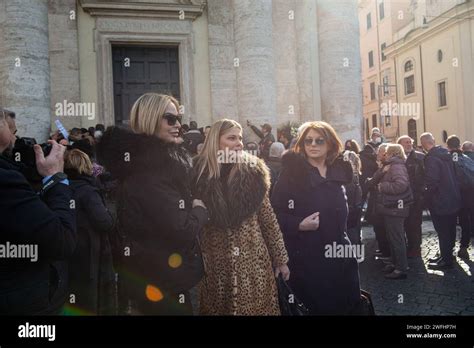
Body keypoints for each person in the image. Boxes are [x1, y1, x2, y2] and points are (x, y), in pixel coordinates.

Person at [97, 93, 209, 315]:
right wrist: (199, 209)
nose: (178, 125)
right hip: (160, 281)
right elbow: (181, 229)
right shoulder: (150, 171)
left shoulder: (156, 164)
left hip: (160, 276)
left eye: (178, 119)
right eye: (170, 119)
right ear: (150, 119)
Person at [193, 119, 289, 315]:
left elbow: (268, 219)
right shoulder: (198, 173)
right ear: (215, 142)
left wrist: (280, 259)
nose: (239, 143)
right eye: (232, 138)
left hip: (253, 264)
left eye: (240, 138)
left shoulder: (253, 172)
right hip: (215, 265)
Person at [271, 121, 361, 315]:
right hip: (307, 262)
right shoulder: (291, 174)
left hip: (341, 257)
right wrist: (299, 224)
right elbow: (273, 214)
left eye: (319, 141)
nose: (313, 145)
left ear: (330, 144)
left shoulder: (338, 170)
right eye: (308, 141)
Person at [0, 108, 77, 315]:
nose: (16, 137)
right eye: (12, 130)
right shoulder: (6, 183)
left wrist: (35, 173)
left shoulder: (10, 173)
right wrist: (55, 179)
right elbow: (62, 240)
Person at [64, 149, 115, 315]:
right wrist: (111, 212)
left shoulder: (60, 187)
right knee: (90, 296)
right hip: (89, 253)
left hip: (70, 248)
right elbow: (105, 222)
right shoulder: (88, 191)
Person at [420, 133, 462, 270]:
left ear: (424, 144)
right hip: (453, 197)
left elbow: (432, 181)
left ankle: (446, 260)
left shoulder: (432, 158)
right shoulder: (447, 154)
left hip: (440, 200)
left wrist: (425, 198)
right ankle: (447, 255)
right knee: (450, 229)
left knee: (443, 230)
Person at [375, 144, 412, 280]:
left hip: (395, 208)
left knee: (397, 238)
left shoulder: (396, 166)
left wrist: (382, 186)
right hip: (392, 208)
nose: (384, 154)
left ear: (392, 153)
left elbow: (401, 185)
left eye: (386, 152)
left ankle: (401, 268)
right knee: (393, 237)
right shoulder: (393, 165)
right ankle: (396, 264)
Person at [398, 135, 425, 258]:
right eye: (406, 142)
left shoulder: (420, 157)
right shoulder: (398, 158)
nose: (409, 144)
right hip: (401, 197)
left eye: (410, 142)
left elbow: (425, 177)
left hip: (416, 196)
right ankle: (408, 247)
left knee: (415, 224)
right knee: (404, 223)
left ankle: (415, 248)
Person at [447, 135, 473, 260]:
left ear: (448, 146)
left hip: (454, 194)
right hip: (468, 194)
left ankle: (449, 249)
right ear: (459, 145)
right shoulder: (467, 158)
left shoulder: (449, 158)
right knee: (465, 221)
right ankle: (464, 247)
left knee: (450, 222)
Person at [366, 144, 391, 259]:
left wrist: (373, 182)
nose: (377, 154)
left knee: (383, 230)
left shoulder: (387, 167)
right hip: (376, 202)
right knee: (378, 229)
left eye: (380, 152)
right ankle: (383, 250)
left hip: (383, 203)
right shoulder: (379, 165)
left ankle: (387, 255)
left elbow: (373, 183)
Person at [343, 150, 363, 245]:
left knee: (351, 231)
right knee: (355, 229)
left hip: (352, 206)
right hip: (356, 206)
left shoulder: (351, 177)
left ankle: (355, 254)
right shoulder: (357, 174)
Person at [360, 128, 384, 200]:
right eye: (375, 135)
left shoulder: (383, 145)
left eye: (378, 135)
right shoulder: (367, 147)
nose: (376, 137)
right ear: (372, 136)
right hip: (370, 173)